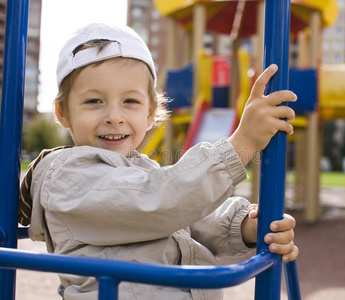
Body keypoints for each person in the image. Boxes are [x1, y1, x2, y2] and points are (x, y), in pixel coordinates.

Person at [21, 23, 298, 299]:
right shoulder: (70, 176)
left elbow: (186, 222)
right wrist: (242, 145)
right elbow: (160, 202)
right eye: (94, 101)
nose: (114, 116)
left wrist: (244, 227)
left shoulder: (142, 171)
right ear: (63, 112)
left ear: (151, 111)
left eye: (130, 101)